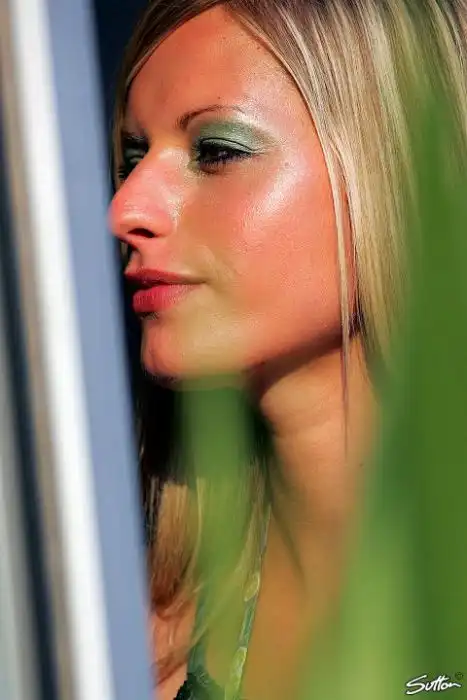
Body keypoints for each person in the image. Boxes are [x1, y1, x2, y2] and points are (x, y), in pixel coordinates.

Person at [108, 1, 467, 698]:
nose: (126, 208)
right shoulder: (139, 635)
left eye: (216, 150)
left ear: (394, 170)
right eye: (131, 157)